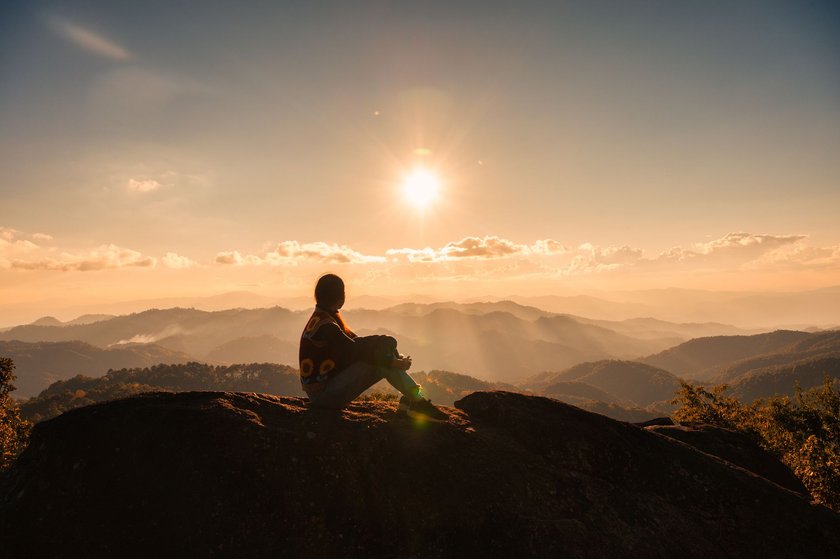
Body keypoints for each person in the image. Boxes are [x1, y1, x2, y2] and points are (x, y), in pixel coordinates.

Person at [299, 273, 447, 422]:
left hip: (326, 390)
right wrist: (392, 362)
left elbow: (358, 344)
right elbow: (354, 350)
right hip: (324, 396)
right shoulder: (327, 326)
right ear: (341, 298)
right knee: (381, 365)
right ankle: (416, 402)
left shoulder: (323, 318)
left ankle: (412, 400)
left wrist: (385, 345)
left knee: (382, 356)